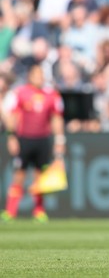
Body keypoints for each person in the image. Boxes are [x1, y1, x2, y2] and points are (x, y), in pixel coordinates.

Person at [0, 64, 66, 223]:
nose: (39, 77)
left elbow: (56, 119)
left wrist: (60, 140)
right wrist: (12, 137)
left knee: (40, 176)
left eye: (41, 74)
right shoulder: (21, 93)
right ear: (29, 76)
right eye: (36, 74)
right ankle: (10, 211)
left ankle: (39, 211)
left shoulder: (51, 95)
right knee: (19, 175)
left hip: (42, 140)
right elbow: (14, 118)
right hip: (24, 139)